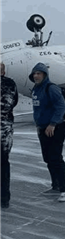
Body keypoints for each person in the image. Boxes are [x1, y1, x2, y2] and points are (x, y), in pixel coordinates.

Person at [29, 62, 65, 202]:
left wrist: (52, 124)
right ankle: (56, 185)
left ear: (45, 75)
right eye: (34, 73)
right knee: (48, 158)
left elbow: (62, 106)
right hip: (42, 128)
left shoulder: (51, 88)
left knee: (56, 158)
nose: (36, 76)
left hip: (55, 128)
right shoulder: (36, 89)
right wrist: (39, 125)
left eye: (39, 73)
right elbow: (38, 110)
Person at [0, 62, 18, 209]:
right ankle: (4, 198)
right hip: (5, 130)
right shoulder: (10, 84)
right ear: (4, 72)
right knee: (3, 163)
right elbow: (14, 102)